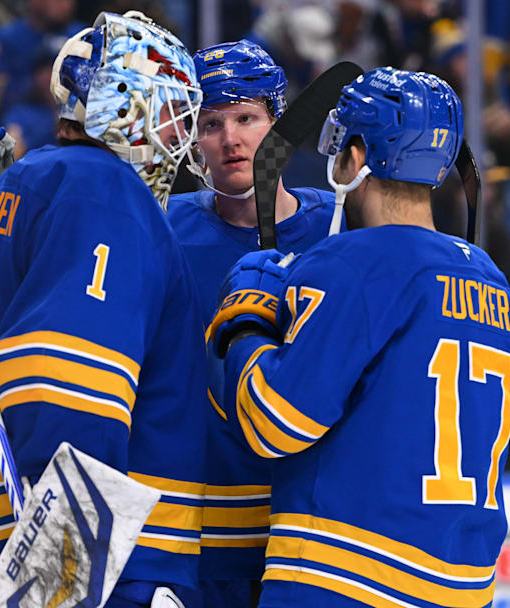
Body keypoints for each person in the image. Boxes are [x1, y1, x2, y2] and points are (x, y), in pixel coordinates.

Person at [207, 67, 510, 607]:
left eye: (340, 144)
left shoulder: (349, 263)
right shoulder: (490, 278)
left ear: (358, 156)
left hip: (347, 576)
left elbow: (274, 420)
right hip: (465, 583)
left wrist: (247, 318)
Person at [0, 11, 208, 607]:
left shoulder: (26, 184)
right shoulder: (106, 191)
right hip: (85, 564)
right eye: (169, 111)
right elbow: (69, 384)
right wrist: (57, 577)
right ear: (122, 105)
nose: (179, 134)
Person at [167, 40, 338, 608]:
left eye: (246, 118)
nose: (231, 140)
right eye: (212, 123)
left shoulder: (338, 230)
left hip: (304, 531)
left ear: (278, 124)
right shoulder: (165, 228)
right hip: (198, 525)